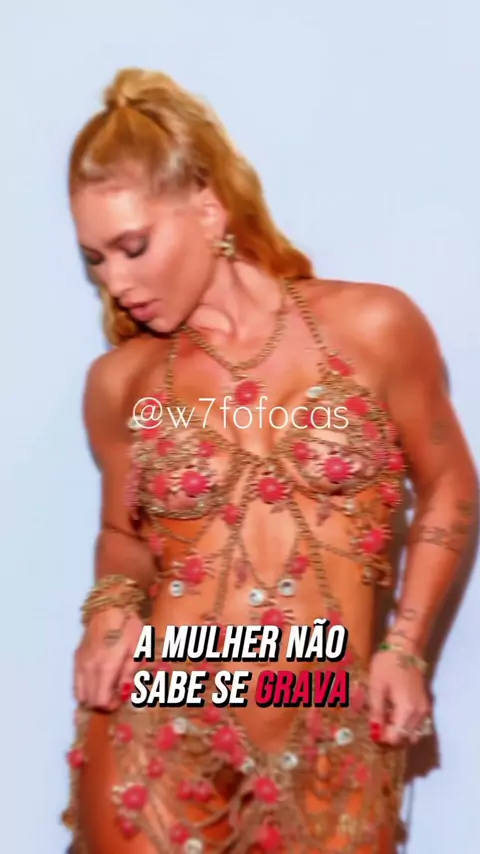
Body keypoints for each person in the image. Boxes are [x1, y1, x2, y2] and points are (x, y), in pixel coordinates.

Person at [61, 66, 478, 854]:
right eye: (96, 259)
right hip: (160, 726)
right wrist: (111, 607)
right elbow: (122, 538)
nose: (116, 280)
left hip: (330, 732)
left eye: (132, 247)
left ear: (209, 207)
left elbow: (450, 481)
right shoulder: (120, 383)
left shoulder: (376, 327)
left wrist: (405, 646)